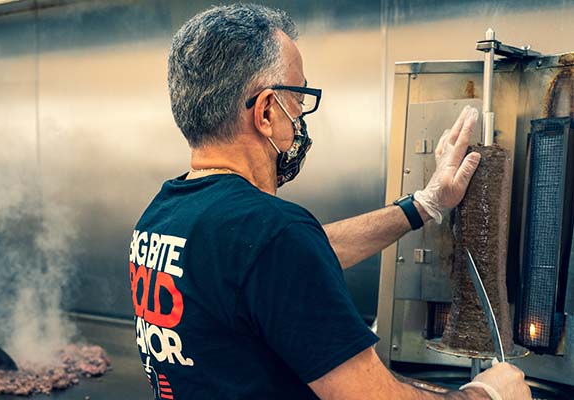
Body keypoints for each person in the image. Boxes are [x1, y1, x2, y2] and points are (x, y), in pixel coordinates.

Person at [128, 4, 531, 400]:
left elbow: (290, 262)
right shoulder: (273, 234)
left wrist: (423, 205)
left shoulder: (163, 216)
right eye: (298, 102)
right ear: (267, 111)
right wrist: (487, 395)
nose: (300, 121)